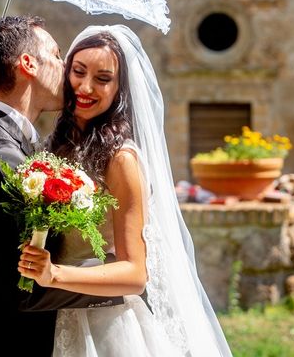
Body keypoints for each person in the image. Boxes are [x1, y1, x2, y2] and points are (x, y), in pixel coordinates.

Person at [18, 25, 234, 356]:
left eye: (103, 79)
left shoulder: (121, 159)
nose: (86, 87)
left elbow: (135, 274)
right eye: (78, 72)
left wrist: (54, 274)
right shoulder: (58, 145)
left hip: (103, 324)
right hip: (49, 314)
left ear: (120, 89)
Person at [0, 16, 123, 357]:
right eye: (56, 55)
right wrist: (122, 285)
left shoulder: (6, 146)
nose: (65, 67)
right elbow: (26, 287)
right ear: (28, 64)